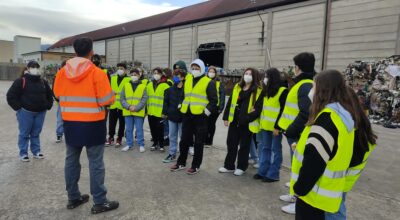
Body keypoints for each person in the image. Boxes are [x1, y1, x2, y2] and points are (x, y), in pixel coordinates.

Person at [289, 70, 373, 219]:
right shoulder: (342, 115)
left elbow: (314, 162)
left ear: (322, 90)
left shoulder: (326, 119)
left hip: (313, 195)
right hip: (327, 193)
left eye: (313, 87)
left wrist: (299, 188)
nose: (311, 91)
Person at [53, 37, 119, 214]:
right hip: (93, 124)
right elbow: (106, 99)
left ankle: (73, 197)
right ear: (91, 52)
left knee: (71, 160)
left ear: (74, 51)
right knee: (96, 163)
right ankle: (99, 201)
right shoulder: (97, 73)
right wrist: (111, 96)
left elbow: (57, 94)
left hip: (71, 123)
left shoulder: (62, 72)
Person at [324, 87, 377, 220]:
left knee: (334, 210)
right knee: (337, 206)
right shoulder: (359, 119)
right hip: (346, 178)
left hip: (337, 179)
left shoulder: (346, 123)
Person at [277, 52, 316, 215]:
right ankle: (294, 193)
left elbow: (306, 112)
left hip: (297, 133)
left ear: (298, 67)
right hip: (293, 132)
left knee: (300, 167)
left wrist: (291, 129)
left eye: (295, 66)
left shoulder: (305, 85)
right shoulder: (303, 84)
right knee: (296, 166)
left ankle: (298, 200)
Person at [170, 59, 218, 175]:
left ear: (202, 69)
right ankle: (181, 162)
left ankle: (195, 165)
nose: (195, 70)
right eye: (193, 68)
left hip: (200, 117)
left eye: (197, 68)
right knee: (184, 140)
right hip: (187, 114)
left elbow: (213, 101)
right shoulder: (188, 79)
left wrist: (205, 113)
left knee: (198, 142)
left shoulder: (208, 82)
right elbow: (184, 94)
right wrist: (181, 104)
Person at [218, 68, 263, 176]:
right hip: (234, 120)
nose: (247, 76)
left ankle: (241, 167)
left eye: (250, 74)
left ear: (255, 77)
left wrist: (247, 118)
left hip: (247, 122)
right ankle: (229, 165)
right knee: (231, 143)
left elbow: (258, 108)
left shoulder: (258, 90)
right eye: (246, 73)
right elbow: (230, 103)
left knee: (244, 146)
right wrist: (226, 117)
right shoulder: (238, 87)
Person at [7, 61, 54, 162]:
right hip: (25, 112)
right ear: (27, 68)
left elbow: (50, 95)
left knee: (36, 133)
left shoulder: (43, 82)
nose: (35, 68)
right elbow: (10, 96)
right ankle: (23, 153)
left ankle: (36, 151)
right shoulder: (20, 81)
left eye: (37, 67)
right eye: (33, 67)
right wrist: (19, 108)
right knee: (24, 133)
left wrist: (48, 105)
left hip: (41, 112)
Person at [253, 68, 288, 182]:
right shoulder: (266, 90)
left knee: (275, 150)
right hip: (265, 126)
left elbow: (284, 110)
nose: (264, 79)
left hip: (275, 128)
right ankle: (263, 171)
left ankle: (273, 174)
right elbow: (258, 104)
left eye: (266, 76)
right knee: (265, 149)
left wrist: (278, 127)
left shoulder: (283, 91)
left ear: (272, 77)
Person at [120, 68, 148, 152]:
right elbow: (122, 98)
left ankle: (141, 144)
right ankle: (129, 144)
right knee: (128, 129)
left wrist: (136, 107)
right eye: (131, 75)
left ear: (139, 75)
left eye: (135, 75)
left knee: (139, 129)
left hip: (138, 111)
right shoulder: (126, 85)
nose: (133, 76)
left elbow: (144, 98)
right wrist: (128, 106)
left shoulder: (143, 86)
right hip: (128, 110)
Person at [162, 69, 186, 163]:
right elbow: (166, 102)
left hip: (183, 117)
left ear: (183, 77)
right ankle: (172, 153)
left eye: (178, 75)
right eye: (174, 75)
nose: (176, 77)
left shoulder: (186, 90)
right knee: (172, 136)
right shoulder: (169, 90)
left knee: (183, 137)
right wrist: (164, 112)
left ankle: (183, 155)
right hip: (172, 117)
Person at [105, 63, 130, 147]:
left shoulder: (128, 79)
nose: (120, 70)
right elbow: (108, 89)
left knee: (122, 124)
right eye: (118, 68)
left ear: (125, 70)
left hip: (123, 106)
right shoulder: (113, 78)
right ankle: (111, 137)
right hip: (113, 104)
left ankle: (119, 138)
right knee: (112, 123)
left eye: (122, 68)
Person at [147, 67, 170, 151]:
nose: (156, 75)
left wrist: (165, 112)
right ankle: (155, 143)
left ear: (161, 74)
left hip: (160, 112)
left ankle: (161, 144)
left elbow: (167, 101)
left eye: (158, 73)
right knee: (152, 129)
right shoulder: (149, 84)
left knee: (160, 130)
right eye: (154, 73)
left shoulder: (166, 85)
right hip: (151, 111)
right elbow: (147, 98)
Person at [205, 66, 225, 147]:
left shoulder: (219, 83)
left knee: (211, 124)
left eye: (213, 72)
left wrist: (221, 107)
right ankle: (205, 140)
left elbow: (222, 95)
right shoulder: (205, 81)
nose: (211, 73)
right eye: (210, 71)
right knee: (205, 124)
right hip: (206, 106)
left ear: (215, 73)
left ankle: (209, 141)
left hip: (215, 108)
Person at [55, 60, 67, 143]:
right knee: (60, 118)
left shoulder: (72, 75)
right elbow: (55, 88)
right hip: (62, 100)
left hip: (68, 100)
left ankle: (63, 134)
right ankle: (59, 134)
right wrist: (58, 98)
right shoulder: (59, 75)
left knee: (63, 118)